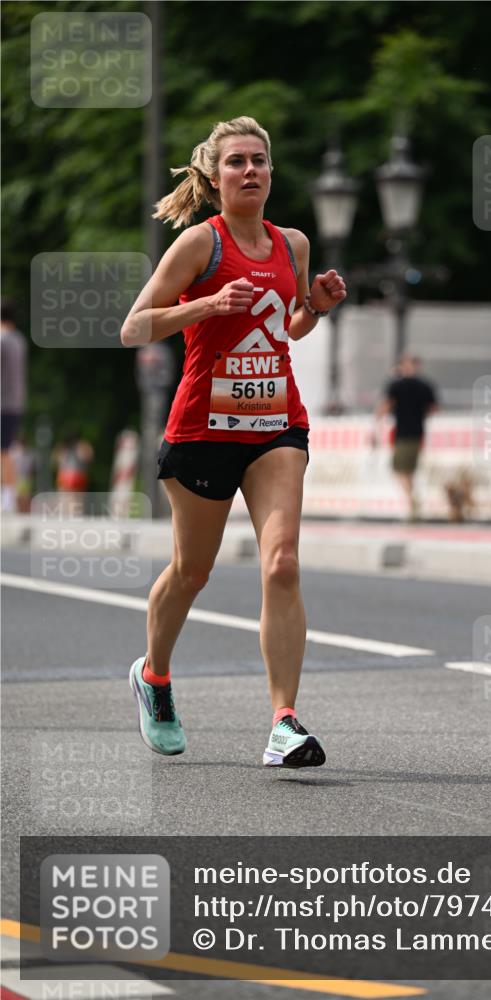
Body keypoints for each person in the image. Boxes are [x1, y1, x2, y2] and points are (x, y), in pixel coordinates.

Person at [120, 116, 345, 767]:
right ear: (215, 177)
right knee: (192, 571)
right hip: (202, 430)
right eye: (236, 162)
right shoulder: (200, 244)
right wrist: (207, 305)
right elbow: (134, 328)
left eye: (259, 161)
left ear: (271, 172)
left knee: (283, 563)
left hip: (277, 425)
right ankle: (154, 676)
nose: (250, 171)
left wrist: (316, 306)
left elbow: (288, 327)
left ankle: (283, 723)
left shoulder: (292, 244)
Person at [375, 354, 438, 520]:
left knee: (399, 469)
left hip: (403, 434)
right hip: (418, 433)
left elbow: (386, 406)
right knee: (409, 470)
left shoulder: (396, 385)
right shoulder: (425, 386)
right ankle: (412, 503)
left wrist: (377, 421)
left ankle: (412, 501)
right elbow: (434, 408)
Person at [1, 299, 28, 513]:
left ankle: (8, 497)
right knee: (5, 449)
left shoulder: (2, 340)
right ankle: (8, 495)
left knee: (4, 451)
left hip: (3, 402)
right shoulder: (19, 340)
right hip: (16, 402)